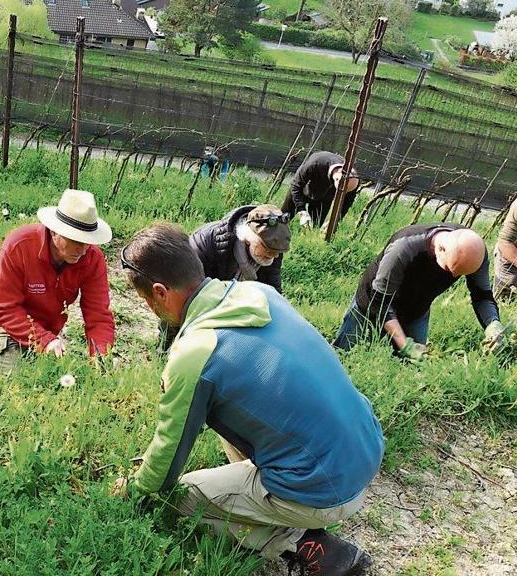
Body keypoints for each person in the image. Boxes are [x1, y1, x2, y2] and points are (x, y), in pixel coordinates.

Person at [112, 223, 384, 574]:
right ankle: (287, 505)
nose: (150, 309)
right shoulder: (259, 294)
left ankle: (302, 542)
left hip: (322, 489)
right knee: (231, 410)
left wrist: (136, 490)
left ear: (161, 292)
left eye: (147, 301)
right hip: (366, 451)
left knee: (178, 497)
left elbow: (166, 460)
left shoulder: (195, 352)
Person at [0, 189, 115, 373]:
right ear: (55, 233)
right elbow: (4, 307)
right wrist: (45, 340)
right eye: (76, 240)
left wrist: (101, 355)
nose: (83, 250)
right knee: (15, 379)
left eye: (88, 241)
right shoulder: (19, 245)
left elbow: (98, 314)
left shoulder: (93, 258)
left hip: (45, 325)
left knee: (53, 375)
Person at [333, 224, 505, 360]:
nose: (453, 276)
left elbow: (481, 294)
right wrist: (404, 344)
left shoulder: (474, 252)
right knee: (343, 356)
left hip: (416, 309)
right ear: (441, 249)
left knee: (412, 366)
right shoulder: (404, 248)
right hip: (372, 302)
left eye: (461, 274)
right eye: (449, 268)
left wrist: (493, 324)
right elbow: (380, 303)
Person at [154, 204, 290, 349]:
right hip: (196, 288)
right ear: (249, 237)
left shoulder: (273, 250)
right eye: (268, 250)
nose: (274, 256)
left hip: (229, 295)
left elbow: (272, 289)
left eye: (278, 252)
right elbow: (182, 295)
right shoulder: (205, 243)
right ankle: (163, 349)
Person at [282, 151, 361, 229]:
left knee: (315, 227)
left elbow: (347, 202)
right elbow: (296, 186)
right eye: (342, 191)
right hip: (302, 190)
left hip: (324, 199)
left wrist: (334, 221)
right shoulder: (315, 164)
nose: (344, 193)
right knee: (283, 219)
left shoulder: (353, 179)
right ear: (336, 179)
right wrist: (302, 211)